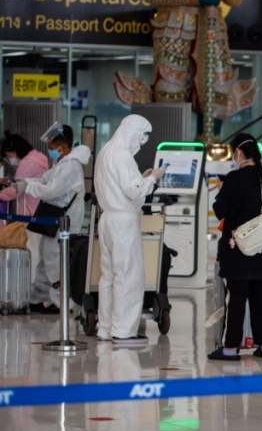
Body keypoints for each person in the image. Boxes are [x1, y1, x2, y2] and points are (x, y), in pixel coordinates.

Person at [208, 134, 262, 361]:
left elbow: (221, 210)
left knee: (237, 296)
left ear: (238, 152)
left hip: (237, 247)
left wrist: (222, 189)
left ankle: (230, 348)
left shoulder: (234, 178)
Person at [93, 115, 163, 345]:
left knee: (109, 277)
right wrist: (152, 178)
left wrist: (140, 178)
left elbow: (123, 185)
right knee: (128, 276)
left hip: (107, 219)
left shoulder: (106, 151)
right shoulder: (122, 155)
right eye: (142, 135)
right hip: (123, 222)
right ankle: (123, 331)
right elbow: (134, 192)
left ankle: (105, 328)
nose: (142, 141)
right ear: (131, 131)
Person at [7, 125, 89, 313]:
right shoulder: (61, 162)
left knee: (55, 263)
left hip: (63, 223)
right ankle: (37, 298)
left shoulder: (71, 166)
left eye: (52, 146)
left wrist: (27, 188)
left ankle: (61, 304)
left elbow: (51, 191)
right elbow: (45, 180)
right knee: (45, 259)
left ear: (62, 145)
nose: (50, 150)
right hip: (53, 221)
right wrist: (26, 182)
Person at [1, 131, 49, 286]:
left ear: (15, 151)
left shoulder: (27, 163)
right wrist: (10, 182)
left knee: (32, 252)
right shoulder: (38, 158)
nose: (9, 159)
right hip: (39, 209)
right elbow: (26, 182)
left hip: (29, 213)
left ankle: (30, 288)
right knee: (38, 251)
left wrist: (0, 194)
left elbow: (17, 190)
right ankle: (36, 289)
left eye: (8, 154)